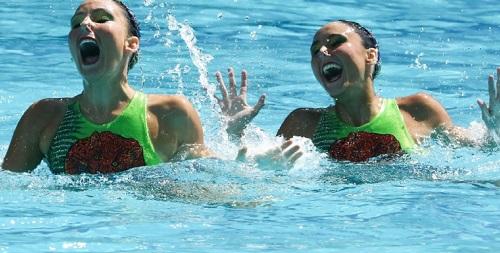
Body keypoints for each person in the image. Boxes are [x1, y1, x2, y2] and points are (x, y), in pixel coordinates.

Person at [217, 20, 500, 162]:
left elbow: (480, 151)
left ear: (370, 55)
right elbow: (259, 165)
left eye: (334, 42)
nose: (321, 52)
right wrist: (233, 134)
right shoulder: (304, 124)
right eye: (315, 50)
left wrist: (495, 133)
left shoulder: (418, 111)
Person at [1, 0, 211, 174]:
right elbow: (8, 186)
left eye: (101, 19)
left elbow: (202, 188)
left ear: (131, 44)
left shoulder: (170, 114)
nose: (84, 24)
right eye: (75, 24)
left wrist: (237, 144)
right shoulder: (43, 117)